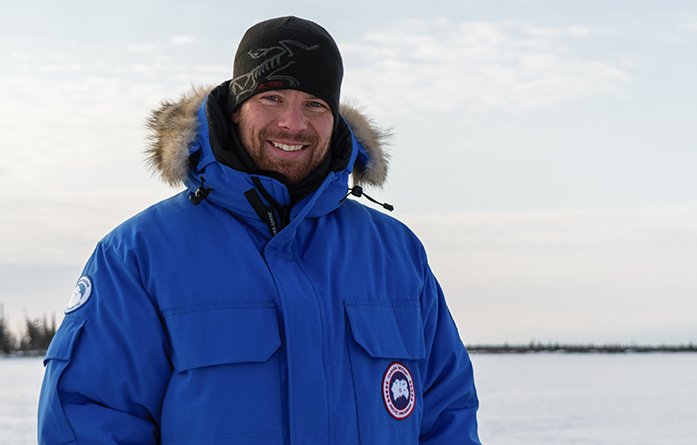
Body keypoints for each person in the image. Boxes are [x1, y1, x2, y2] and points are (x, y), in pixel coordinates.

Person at [38, 16, 482, 445]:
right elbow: (91, 419)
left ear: (334, 118)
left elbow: (446, 412)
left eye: (315, 104)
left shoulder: (395, 253)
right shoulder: (139, 255)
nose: (293, 123)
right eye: (272, 98)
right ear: (235, 110)